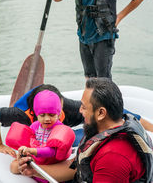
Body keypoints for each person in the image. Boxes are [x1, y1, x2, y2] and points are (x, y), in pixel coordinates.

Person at [17, 78, 153, 182]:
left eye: (84, 107)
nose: (80, 110)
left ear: (101, 113)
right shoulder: (102, 130)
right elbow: (76, 167)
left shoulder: (112, 159)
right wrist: (35, 170)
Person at [0, 84, 153, 157]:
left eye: (55, 113)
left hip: (62, 115)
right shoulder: (22, 115)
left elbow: (112, 112)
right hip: (30, 114)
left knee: (104, 113)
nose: (51, 118)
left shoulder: (65, 107)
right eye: (44, 115)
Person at [7, 90, 75, 182]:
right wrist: (24, 151)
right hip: (36, 159)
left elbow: (53, 152)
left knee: (44, 179)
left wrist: (32, 151)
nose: (47, 119)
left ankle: (35, 172)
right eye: (42, 115)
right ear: (36, 114)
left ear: (58, 114)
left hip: (52, 164)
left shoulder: (60, 129)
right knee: (13, 167)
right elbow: (29, 141)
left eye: (51, 115)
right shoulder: (35, 126)